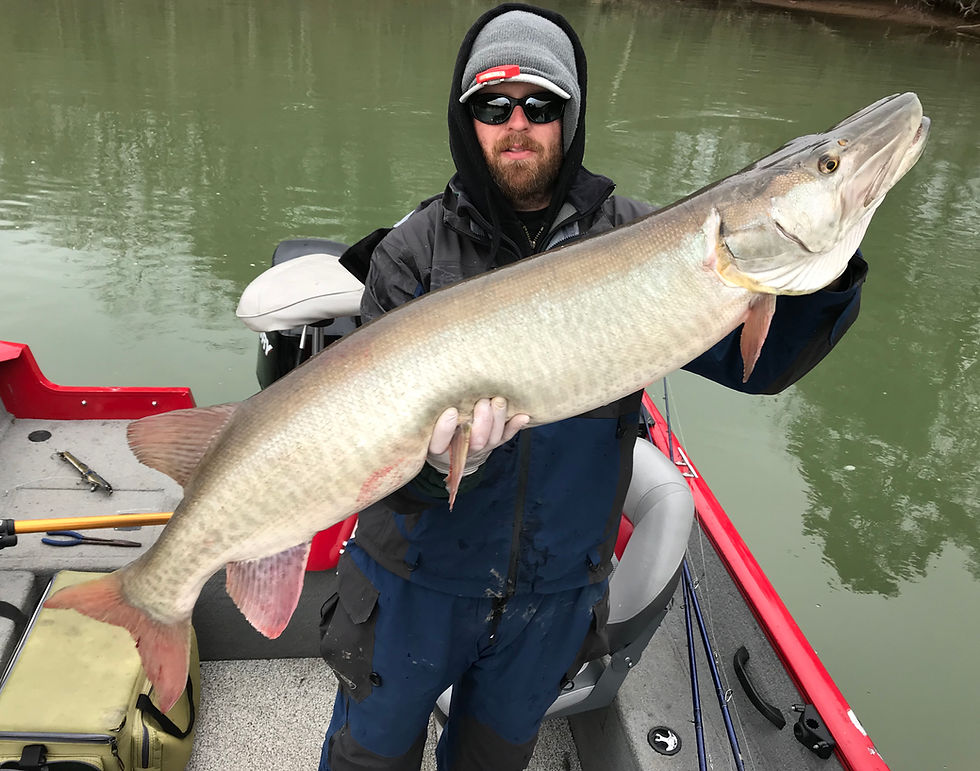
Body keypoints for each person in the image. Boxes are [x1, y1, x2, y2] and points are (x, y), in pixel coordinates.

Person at [318, 4, 868, 770]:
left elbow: (762, 365)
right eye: (493, 104)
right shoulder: (411, 253)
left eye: (540, 105)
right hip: (415, 582)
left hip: (553, 595)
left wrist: (828, 264)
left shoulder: (649, 240)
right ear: (465, 118)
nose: (517, 123)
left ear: (569, 118)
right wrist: (439, 464)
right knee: (365, 760)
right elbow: (366, 452)